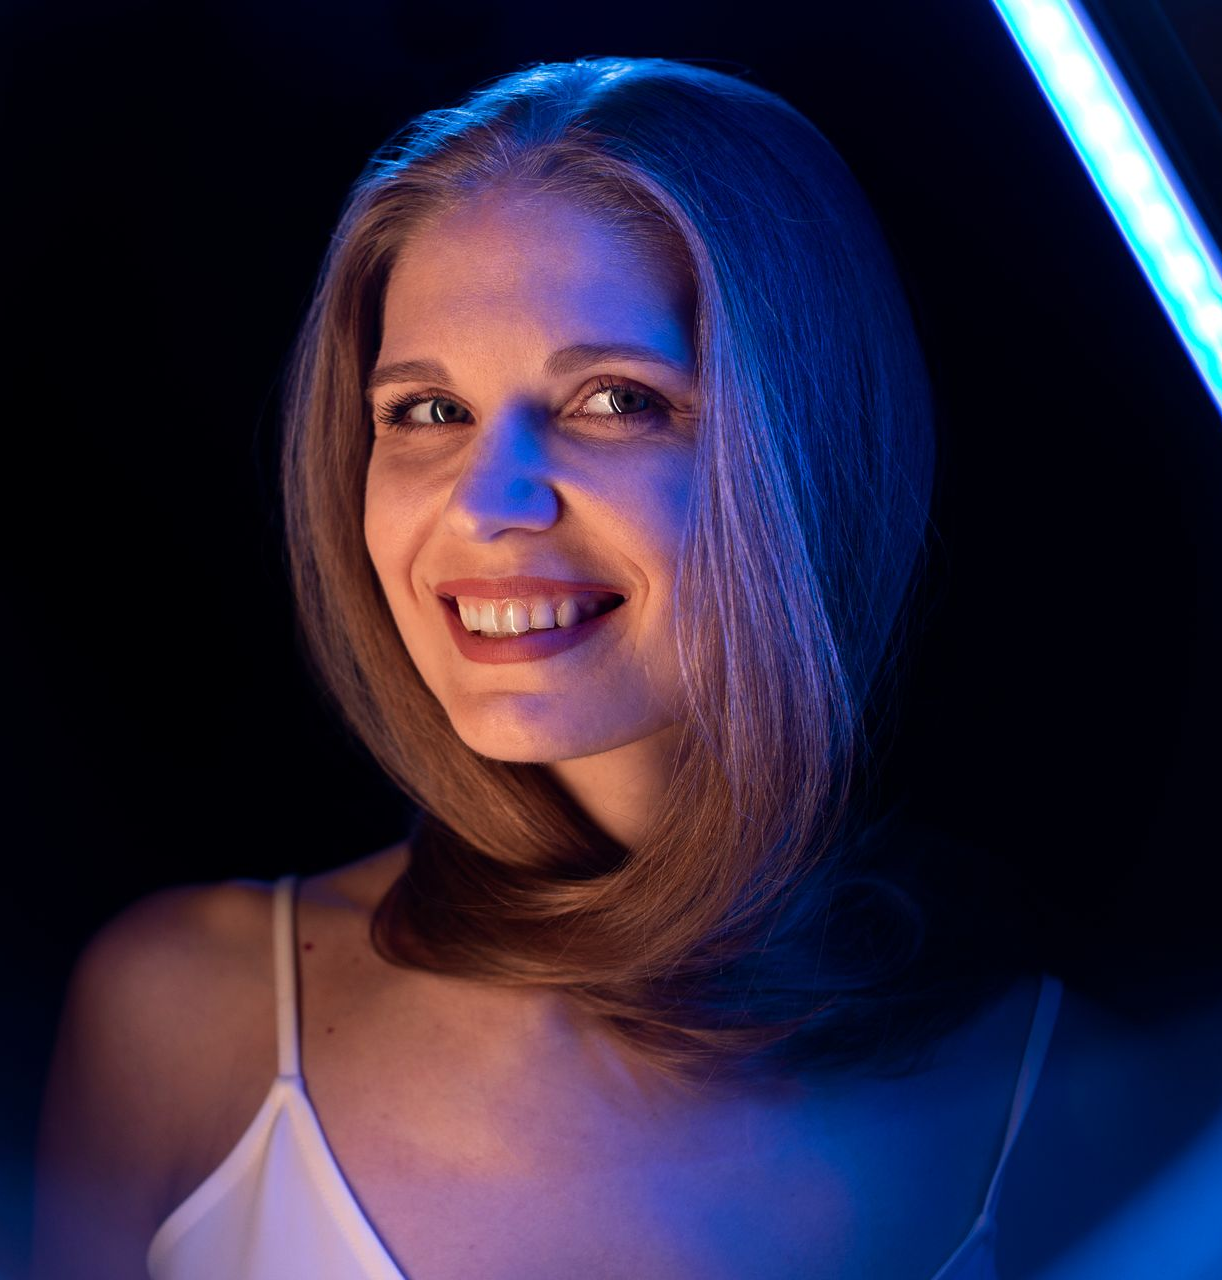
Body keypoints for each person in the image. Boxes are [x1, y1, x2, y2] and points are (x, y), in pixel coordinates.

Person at [29, 54, 1222, 1280]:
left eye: (613, 398)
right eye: (426, 411)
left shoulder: (1084, 1119)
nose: (487, 504)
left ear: (808, 450)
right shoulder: (178, 1017)